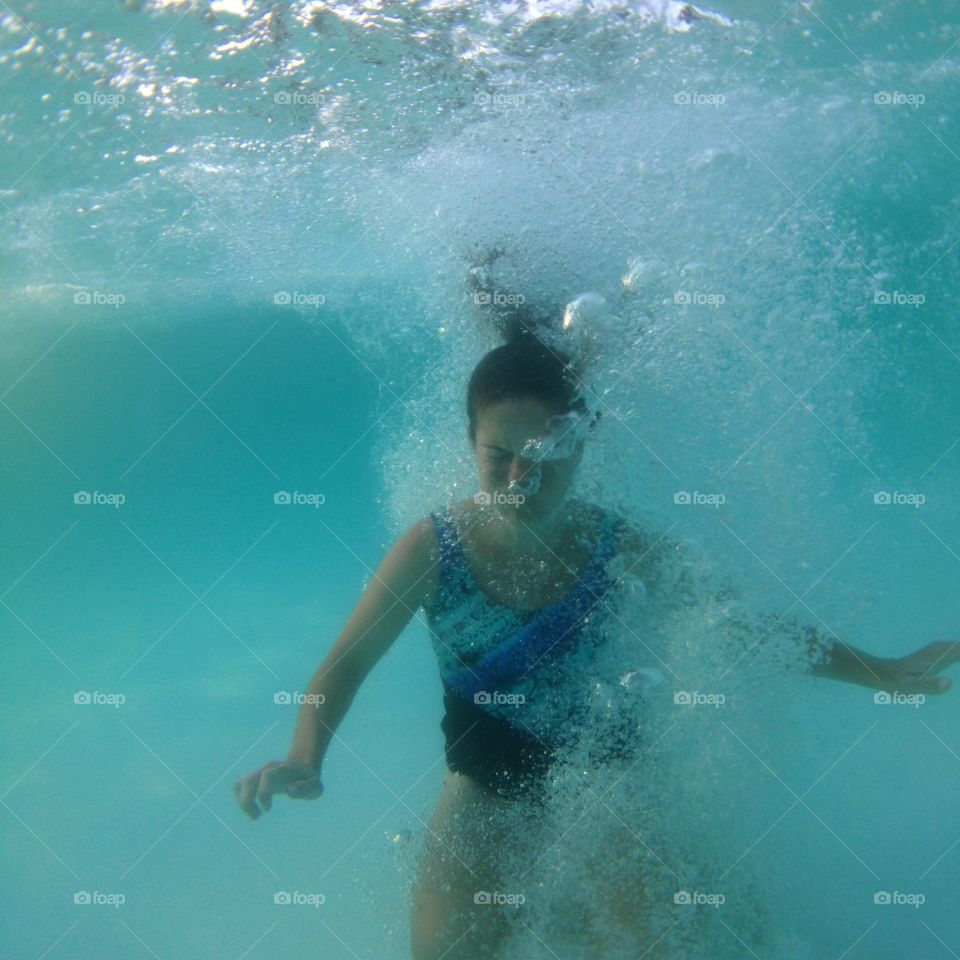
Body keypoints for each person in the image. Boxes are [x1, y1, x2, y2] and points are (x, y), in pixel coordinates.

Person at [234, 293, 959, 959]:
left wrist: (882, 671)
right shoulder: (434, 550)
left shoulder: (621, 546)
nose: (522, 477)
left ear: (582, 443)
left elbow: (744, 628)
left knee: (647, 943)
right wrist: (306, 756)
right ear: (470, 443)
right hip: (484, 782)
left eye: (546, 453)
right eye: (500, 456)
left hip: (607, 780)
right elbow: (345, 662)